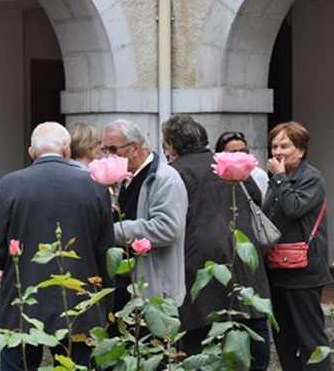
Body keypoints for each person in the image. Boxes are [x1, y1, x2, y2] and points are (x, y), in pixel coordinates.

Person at [0, 122, 114, 370]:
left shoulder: (8, 185)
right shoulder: (95, 187)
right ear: (67, 149)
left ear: (31, 151)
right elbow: (105, 248)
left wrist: (15, 264)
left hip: (22, 301)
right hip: (79, 301)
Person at [162, 115, 270, 371]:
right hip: (243, 256)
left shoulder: (174, 173)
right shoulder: (227, 163)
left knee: (201, 341)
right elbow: (256, 197)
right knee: (250, 322)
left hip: (198, 264)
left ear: (172, 145)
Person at [263, 121, 331, 371]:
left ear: (301, 150)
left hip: (304, 272)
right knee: (284, 338)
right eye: (274, 146)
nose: (278, 152)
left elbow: (293, 208)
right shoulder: (277, 179)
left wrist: (280, 178)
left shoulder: (311, 178)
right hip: (278, 268)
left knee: (310, 338)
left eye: (285, 146)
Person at [104, 119, 188, 306]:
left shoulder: (164, 179)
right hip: (124, 286)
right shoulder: (123, 177)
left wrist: (115, 230)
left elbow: (167, 228)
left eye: (113, 149)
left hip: (154, 291)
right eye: (105, 149)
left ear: (134, 148)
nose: (108, 156)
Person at [215, 130, 270, 199]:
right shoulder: (214, 177)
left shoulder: (258, 175)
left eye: (242, 151)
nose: (239, 155)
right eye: (234, 152)